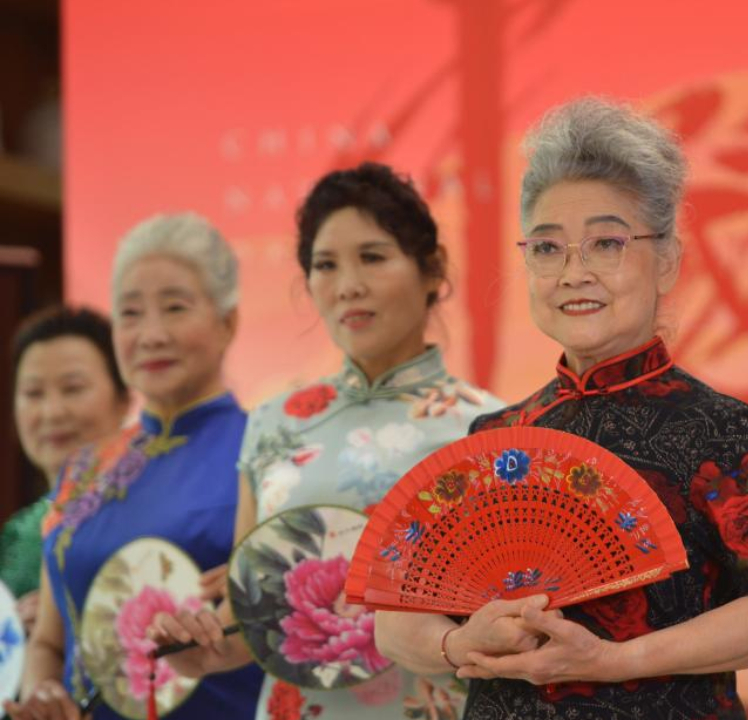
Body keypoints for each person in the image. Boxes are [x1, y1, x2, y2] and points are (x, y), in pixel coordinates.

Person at [375, 97, 748, 720]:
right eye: (547, 247)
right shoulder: (498, 436)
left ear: (667, 261)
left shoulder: (714, 426)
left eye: (606, 243)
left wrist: (613, 661)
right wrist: (458, 644)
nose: (573, 272)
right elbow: (397, 616)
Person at [153, 162, 503, 719]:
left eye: (373, 256)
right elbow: (255, 619)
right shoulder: (273, 422)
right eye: (325, 265)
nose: (348, 286)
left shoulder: (492, 428)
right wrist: (204, 652)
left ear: (432, 270)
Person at [4, 213, 263, 720]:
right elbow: (50, 645)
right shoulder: (83, 468)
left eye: (174, 308)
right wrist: (43, 695)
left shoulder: (266, 448)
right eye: (130, 313)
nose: (150, 334)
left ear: (226, 322)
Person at [3, 307, 130, 633]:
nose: (52, 412)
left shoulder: (152, 514)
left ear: (123, 398)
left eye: (73, 388)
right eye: (33, 393)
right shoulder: (15, 535)